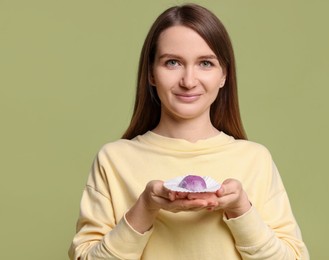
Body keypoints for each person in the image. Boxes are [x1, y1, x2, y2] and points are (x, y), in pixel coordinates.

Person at [68, 3, 309, 260]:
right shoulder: (113, 160)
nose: (189, 81)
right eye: (172, 62)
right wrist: (145, 208)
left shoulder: (255, 160)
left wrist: (241, 209)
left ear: (223, 75)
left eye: (205, 63)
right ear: (151, 73)